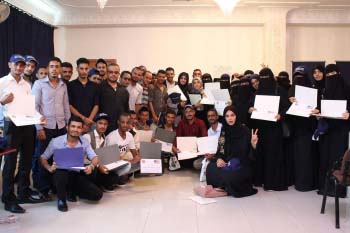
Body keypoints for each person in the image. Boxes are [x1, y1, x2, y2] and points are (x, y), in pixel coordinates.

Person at [0, 54, 42, 213]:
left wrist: (38, 118)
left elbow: (28, 106)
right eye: (16, 65)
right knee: (10, 163)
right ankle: (8, 198)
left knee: (26, 161)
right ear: (9, 64)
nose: (19, 68)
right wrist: (2, 102)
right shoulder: (2, 82)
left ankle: (23, 192)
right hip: (11, 125)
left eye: (22, 65)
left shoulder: (26, 84)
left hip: (27, 124)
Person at [40, 117, 103, 212]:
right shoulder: (56, 141)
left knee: (97, 195)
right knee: (61, 173)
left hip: (76, 174)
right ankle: (61, 199)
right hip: (60, 175)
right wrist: (49, 167)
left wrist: (91, 166)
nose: (75, 130)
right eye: (73, 126)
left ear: (82, 129)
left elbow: (94, 157)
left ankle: (72, 191)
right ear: (67, 127)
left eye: (78, 127)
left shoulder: (84, 142)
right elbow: (43, 157)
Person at [32, 57, 71, 200]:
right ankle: (43, 189)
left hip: (60, 127)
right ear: (48, 68)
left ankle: (57, 186)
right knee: (44, 157)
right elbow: (34, 107)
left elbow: (66, 106)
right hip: (45, 127)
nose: (55, 69)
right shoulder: (39, 84)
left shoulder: (63, 85)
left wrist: (67, 125)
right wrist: (38, 128)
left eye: (57, 66)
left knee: (60, 159)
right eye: (52, 66)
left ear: (60, 69)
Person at [248, 67, 289, 191]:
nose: (265, 81)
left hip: (274, 129)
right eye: (262, 78)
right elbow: (250, 107)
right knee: (261, 154)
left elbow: (287, 107)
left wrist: (281, 115)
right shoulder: (257, 93)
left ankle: (273, 182)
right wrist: (250, 110)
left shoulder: (279, 90)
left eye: (267, 77)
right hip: (261, 128)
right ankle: (261, 180)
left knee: (273, 155)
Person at [206, 105, 258, 197]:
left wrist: (253, 144)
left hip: (242, 164)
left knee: (230, 175)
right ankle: (225, 186)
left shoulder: (245, 130)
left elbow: (251, 156)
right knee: (211, 167)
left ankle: (226, 186)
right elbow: (221, 148)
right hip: (227, 162)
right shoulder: (224, 130)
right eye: (227, 116)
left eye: (232, 115)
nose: (230, 118)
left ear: (237, 116)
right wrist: (219, 159)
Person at [317, 64, 350, 196]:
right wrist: (318, 113)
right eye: (328, 75)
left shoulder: (347, 89)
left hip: (340, 129)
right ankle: (325, 187)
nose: (331, 77)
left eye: (333, 74)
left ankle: (338, 189)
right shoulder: (325, 90)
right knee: (325, 157)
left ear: (338, 74)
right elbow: (321, 107)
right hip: (327, 129)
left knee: (338, 157)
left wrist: (349, 113)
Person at [288, 66, 318, 191]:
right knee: (302, 157)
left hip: (304, 131)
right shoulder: (291, 93)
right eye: (297, 77)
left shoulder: (311, 92)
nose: (299, 80)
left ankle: (304, 183)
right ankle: (302, 183)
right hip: (299, 131)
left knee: (305, 158)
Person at [68, 58, 99, 133]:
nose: (84, 71)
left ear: (89, 69)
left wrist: (89, 121)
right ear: (77, 69)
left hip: (91, 122)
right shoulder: (71, 85)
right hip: (76, 122)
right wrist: (83, 118)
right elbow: (70, 105)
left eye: (86, 68)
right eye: (81, 68)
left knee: (92, 144)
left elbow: (96, 105)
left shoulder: (95, 85)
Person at [99, 63, 129, 134]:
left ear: (119, 74)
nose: (113, 74)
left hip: (119, 127)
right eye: (111, 72)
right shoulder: (99, 88)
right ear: (106, 73)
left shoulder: (124, 90)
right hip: (104, 126)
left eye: (116, 72)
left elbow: (126, 109)